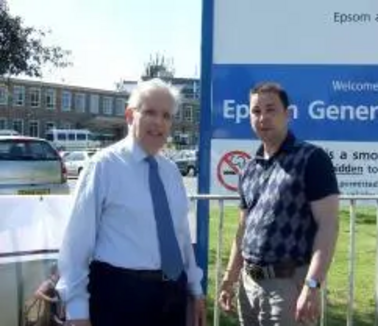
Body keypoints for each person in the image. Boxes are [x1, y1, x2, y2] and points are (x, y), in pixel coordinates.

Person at [56, 78, 206, 326]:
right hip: (120, 297)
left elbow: (181, 237)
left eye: (167, 116)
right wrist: (77, 311)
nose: (159, 122)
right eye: (150, 112)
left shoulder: (170, 172)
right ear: (129, 115)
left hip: (172, 297)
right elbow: (76, 245)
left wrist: (195, 289)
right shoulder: (103, 167)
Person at [218, 82, 340, 325]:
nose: (263, 117)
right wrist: (230, 278)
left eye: (271, 109)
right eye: (256, 111)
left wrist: (312, 286)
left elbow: (328, 227)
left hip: (288, 287)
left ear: (288, 113)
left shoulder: (312, 159)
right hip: (248, 286)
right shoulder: (249, 169)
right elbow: (243, 229)